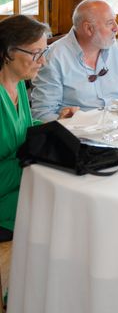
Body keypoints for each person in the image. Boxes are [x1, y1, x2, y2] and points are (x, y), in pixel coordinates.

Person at [0, 15, 73, 240]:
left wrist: (58, 125)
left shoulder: (18, 83)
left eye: (44, 52)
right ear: (9, 52)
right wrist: (31, 160)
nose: (42, 61)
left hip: (22, 184)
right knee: (68, 204)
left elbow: (23, 129)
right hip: (5, 202)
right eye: (36, 53)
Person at [31, 0, 118, 121]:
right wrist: (75, 123)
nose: (117, 28)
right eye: (110, 23)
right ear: (88, 29)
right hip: (77, 135)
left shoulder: (115, 50)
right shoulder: (54, 57)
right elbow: (42, 114)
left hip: (117, 127)